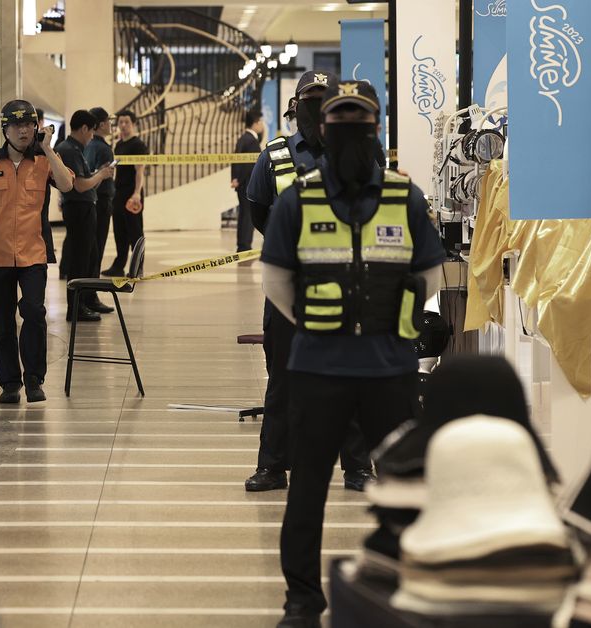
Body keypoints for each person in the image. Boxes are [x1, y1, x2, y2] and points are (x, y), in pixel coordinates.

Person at [261, 80, 446, 627]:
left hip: (389, 371)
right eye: (340, 127)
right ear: (323, 130)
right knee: (307, 493)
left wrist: (394, 328)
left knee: (406, 487)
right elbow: (277, 281)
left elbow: (428, 272)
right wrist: (324, 326)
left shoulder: (403, 196)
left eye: (359, 128)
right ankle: (302, 601)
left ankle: (402, 582)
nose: (350, 137)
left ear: (375, 132)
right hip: (319, 370)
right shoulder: (299, 199)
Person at [243, 71, 374, 494]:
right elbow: (258, 210)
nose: (317, 107)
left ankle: (357, 468)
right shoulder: (275, 155)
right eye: (309, 99)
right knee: (282, 377)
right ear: (295, 106)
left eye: (325, 99)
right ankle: (273, 466)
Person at [0, 99, 74, 404]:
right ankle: (10, 383)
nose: (24, 130)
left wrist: (48, 148)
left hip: (33, 254)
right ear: (5, 129)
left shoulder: (44, 161)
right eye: (17, 125)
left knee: (34, 312)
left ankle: (34, 378)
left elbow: (67, 185)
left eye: (29, 124)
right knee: (2, 322)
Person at [54, 109, 114, 321]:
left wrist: (96, 175)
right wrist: (102, 175)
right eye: (91, 132)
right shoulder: (68, 149)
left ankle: (87, 300)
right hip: (78, 209)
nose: (91, 137)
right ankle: (76, 308)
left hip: (85, 208)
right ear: (84, 128)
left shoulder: (75, 148)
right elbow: (79, 185)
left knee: (90, 256)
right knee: (80, 261)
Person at [103, 109, 147, 277]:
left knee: (135, 231)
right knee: (119, 230)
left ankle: (138, 268)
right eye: (120, 122)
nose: (123, 125)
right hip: (118, 192)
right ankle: (119, 265)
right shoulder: (120, 144)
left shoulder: (138, 145)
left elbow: (139, 171)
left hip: (132, 193)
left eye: (127, 122)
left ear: (134, 124)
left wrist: (137, 193)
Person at [84, 107, 116, 308]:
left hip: (89, 201)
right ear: (102, 124)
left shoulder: (87, 145)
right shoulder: (103, 148)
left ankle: (87, 293)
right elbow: (100, 177)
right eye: (109, 121)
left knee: (90, 250)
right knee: (97, 249)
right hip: (101, 201)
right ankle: (91, 296)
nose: (111, 125)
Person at [231, 110, 264, 252]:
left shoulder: (243, 138)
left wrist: (235, 178)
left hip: (241, 183)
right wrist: (240, 180)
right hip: (247, 184)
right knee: (247, 216)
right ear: (255, 123)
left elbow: (235, 160)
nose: (262, 125)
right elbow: (249, 166)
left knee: (244, 215)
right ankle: (244, 246)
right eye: (261, 122)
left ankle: (242, 245)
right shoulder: (251, 141)